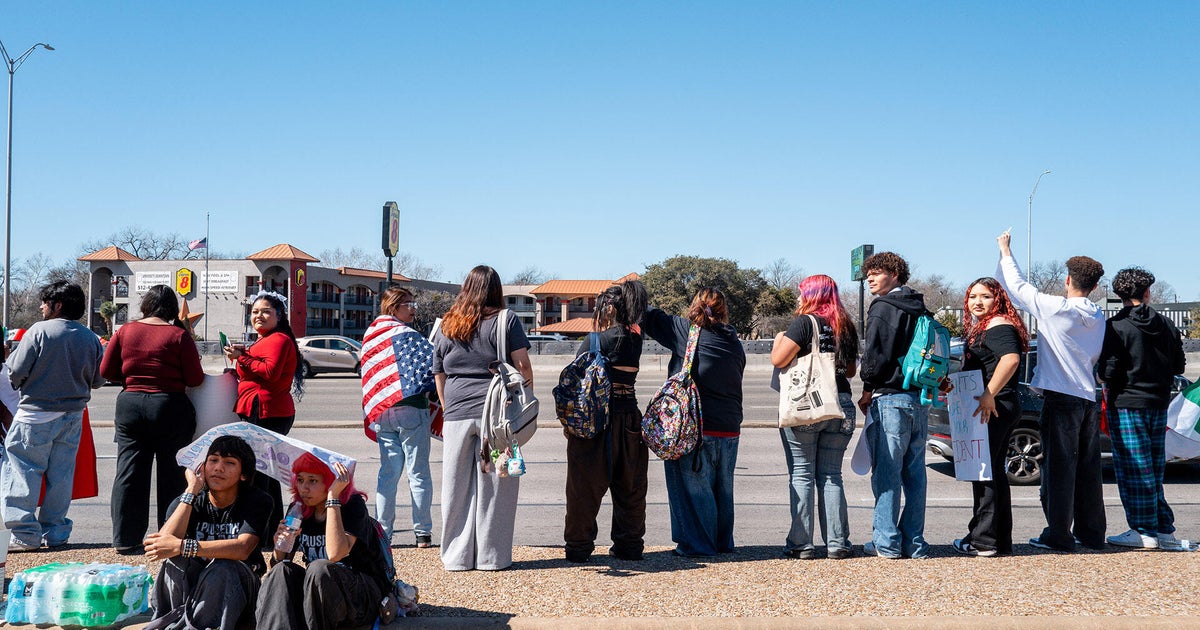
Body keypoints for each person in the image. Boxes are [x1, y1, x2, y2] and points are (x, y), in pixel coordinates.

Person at [996, 232, 1106, 551]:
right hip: (1088, 398)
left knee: (1059, 469)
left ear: (1068, 279)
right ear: (1096, 286)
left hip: (1061, 398)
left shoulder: (1058, 309)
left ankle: (1059, 534)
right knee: (1088, 470)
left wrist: (1005, 250)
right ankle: (1092, 533)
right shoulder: (1097, 316)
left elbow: (1017, 288)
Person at [432, 265, 533, 571]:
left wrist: (449, 406)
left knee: (455, 486)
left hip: (457, 412)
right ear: (496, 289)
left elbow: (439, 372)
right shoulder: (506, 320)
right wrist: (522, 401)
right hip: (497, 415)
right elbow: (523, 365)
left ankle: (456, 556)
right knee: (497, 486)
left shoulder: (448, 322)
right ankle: (492, 557)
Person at [101, 285, 206, 554]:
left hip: (131, 404)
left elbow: (106, 370)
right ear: (172, 309)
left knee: (129, 472)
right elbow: (195, 378)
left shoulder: (124, 331)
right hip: (169, 405)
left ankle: (125, 539)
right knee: (173, 473)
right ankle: (169, 535)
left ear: (145, 305)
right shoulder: (178, 336)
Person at [2, 280, 105, 550]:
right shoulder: (89, 337)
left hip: (35, 414)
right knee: (61, 475)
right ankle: (56, 532)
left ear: (56, 305)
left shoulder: (38, 331)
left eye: (44, 302)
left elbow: (15, 371)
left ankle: (25, 534)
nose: (40, 306)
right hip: (72, 415)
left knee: (23, 471)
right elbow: (98, 379)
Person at [643, 287, 746, 557]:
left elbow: (650, 317)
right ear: (724, 311)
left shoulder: (686, 332)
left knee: (692, 494)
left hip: (695, 429)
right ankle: (722, 543)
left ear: (695, 307)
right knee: (723, 491)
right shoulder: (733, 340)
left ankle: (697, 546)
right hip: (730, 427)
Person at [770, 274, 859, 560]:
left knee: (802, 473)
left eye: (801, 293)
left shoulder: (804, 323)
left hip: (807, 407)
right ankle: (838, 543)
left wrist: (779, 340)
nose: (798, 298)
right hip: (841, 404)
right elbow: (850, 372)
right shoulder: (845, 325)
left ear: (811, 295)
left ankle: (801, 543)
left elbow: (778, 360)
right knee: (832, 475)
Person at [1098, 267, 1186, 550]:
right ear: (1147, 292)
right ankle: (1163, 528)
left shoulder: (1116, 326)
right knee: (1153, 467)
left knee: (1133, 467)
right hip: (1159, 401)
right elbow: (1179, 366)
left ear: (1118, 294)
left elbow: (1108, 370)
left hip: (1126, 402)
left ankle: (1143, 529)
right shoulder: (1167, 325)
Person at [144, 435, 272, 630]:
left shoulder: (257, 500)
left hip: (238, 588)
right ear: (202, 467)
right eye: (213, 460)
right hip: (194, 588)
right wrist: (191, 490)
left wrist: (183, 546)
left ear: (243, 474)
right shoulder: (189, 499)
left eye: (229, 463)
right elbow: (161, 545)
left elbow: (242, 549)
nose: (218, 468)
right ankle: (169, 623)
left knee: (222, 566)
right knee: (175, 561)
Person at [564, 279, 649, 563]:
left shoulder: (597, 340)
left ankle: (578, 547)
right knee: (631, 488)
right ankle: (629, 545)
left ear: (610, 308)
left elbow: (575, 384)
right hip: (630, 419)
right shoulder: (636, 339)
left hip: (597, 422)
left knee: (583, 489)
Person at [857, 252, 932, 559]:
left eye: (876, 273)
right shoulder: (920, 307)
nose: (870, 279)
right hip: (919, 397)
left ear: (895, 273)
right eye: (868, 275)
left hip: (890, 397)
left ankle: (886, 541)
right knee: (915, 476)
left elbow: (875, 357)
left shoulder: (883, 307)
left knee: (887, 474)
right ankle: (913, 542)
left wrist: (866, 388)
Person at [257, 454, 387, 630]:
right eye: (300, 480)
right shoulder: (298, 508)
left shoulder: (352, 505)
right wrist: (280, 545)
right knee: (282, 571)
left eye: (313, 481)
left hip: (359, 594)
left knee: (319, 568)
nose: (304, 488)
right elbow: (278, 564)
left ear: (330, 481)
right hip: (320, 593)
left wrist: (333, 497)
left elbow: (335, 554)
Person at [952, 277, 1030, 557]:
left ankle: (984, 541)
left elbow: (1011, 359)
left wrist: (989, 393)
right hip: (992, 407)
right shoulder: (985, 326)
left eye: (985, 296)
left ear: (998, 299)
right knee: (992, 473)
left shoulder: (999, 325)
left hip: (995, 407)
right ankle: (996, 539)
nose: (977, 302)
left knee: (984, 475)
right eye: (973, 296)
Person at [223, 290, 303, 544]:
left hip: (268, 411)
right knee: (264, 473)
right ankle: (268, 531)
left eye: (266, 311)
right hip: (258, 408)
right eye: (255, 311)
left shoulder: (278, 339)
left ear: (279, 316)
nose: (259, 315)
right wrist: (240, 358)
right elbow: (252, 371)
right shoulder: (263, 339)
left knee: (259, 474)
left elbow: (269, 371)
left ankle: (261, 531)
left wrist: (242, 357)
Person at [362, 286, 434, 548]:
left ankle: (384, 532)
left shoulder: (371, 334)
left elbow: (371, 373)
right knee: (418, 474)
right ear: (393, 308)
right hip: (411, 410)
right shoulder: (407, 335)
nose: (413, 308)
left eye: (414, 303)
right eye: (408, 304)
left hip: (382, 413)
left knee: (387, 474)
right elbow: (431, 367)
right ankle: (422, 532)